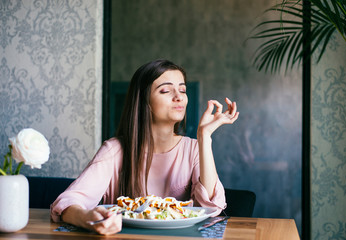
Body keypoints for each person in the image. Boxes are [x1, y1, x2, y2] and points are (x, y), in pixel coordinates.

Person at [50, 59, 239, 235]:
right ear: (143, 101)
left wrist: (204, 137)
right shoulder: (115, 150)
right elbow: (67, 203)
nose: (178, 97)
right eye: (166, 91)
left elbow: (213, 208)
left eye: (182, 90)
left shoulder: (193, 149)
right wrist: (87, 218)